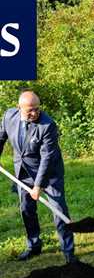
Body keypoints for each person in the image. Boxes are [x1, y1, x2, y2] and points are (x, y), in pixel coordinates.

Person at [0, 91, 77, 263]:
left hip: (49, 174)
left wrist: (38, 186)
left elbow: (47, 158)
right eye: (30, 111)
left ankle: (69, 253)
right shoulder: (8, 117)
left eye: (37, 109)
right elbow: (0, 137)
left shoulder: (47, 125)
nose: (34, 113)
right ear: (19, 108)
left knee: (59, 209)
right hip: (24, 172)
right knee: (26, 209)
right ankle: (33, 246)